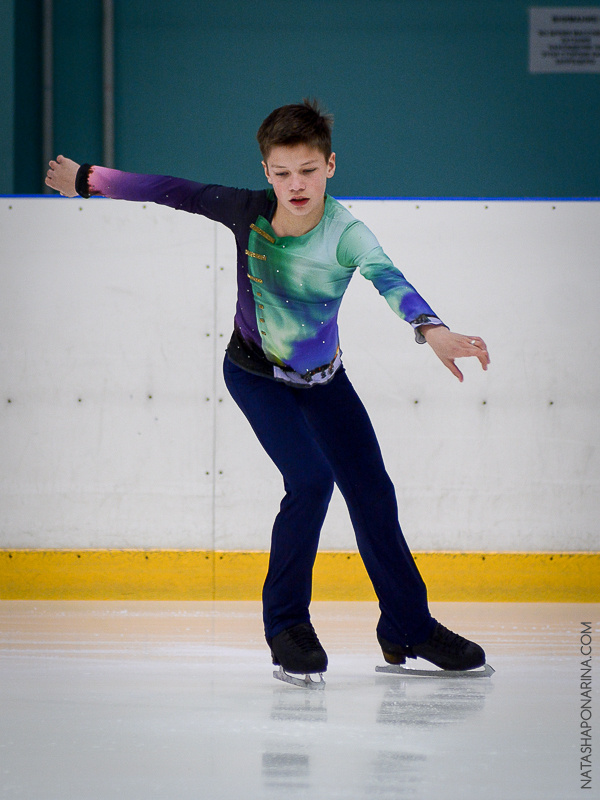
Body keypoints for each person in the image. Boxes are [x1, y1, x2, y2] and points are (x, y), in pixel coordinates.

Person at [46, 99, 491, 683]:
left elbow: (390, 279)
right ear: (266, 173)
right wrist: (88, 178)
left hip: (324, 382)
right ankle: (287, 626)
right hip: (255, 375)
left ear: (330, 165)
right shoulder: (245, 212)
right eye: (281, 173)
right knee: (309, 481)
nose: (295, 185)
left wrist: (431, 329)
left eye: (307, 170)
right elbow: (169, 188)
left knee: (372, 492)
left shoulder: (346, 233)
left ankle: (407, 626)